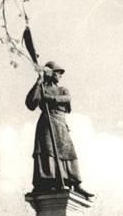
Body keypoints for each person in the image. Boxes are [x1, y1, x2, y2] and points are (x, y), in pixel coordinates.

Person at [25, 61, 92, 198]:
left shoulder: (62, 90)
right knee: (47, 151)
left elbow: (66, 99)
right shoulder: (41, 87)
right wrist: (38, 82)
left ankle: (74, 182)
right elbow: (30, 103)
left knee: (68, 152)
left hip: (60, 124)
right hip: (47, 124)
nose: (60, 75)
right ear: (50, 73)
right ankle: (48, 181)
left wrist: (49, 98)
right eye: (58, 72)